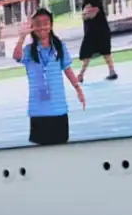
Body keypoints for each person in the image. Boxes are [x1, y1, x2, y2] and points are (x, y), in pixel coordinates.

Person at [13, 8, 85, 146]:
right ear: (32, 27)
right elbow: (16, 56)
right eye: (37, 23)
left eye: (46, 22)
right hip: (38, 111)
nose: (42, 27)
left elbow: (67, 69)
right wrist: (22, 37)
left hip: (58, 109)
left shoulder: (59, 46)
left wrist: (78, 89)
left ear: (51, 25)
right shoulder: (29, 50)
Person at [77, 0, 117, 83]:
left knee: (87, 51)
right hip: (102, 26)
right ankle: (111, 71)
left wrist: (84, 15)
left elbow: (92, 11)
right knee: (105, 50)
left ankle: (81, 74)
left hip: (93, 28)